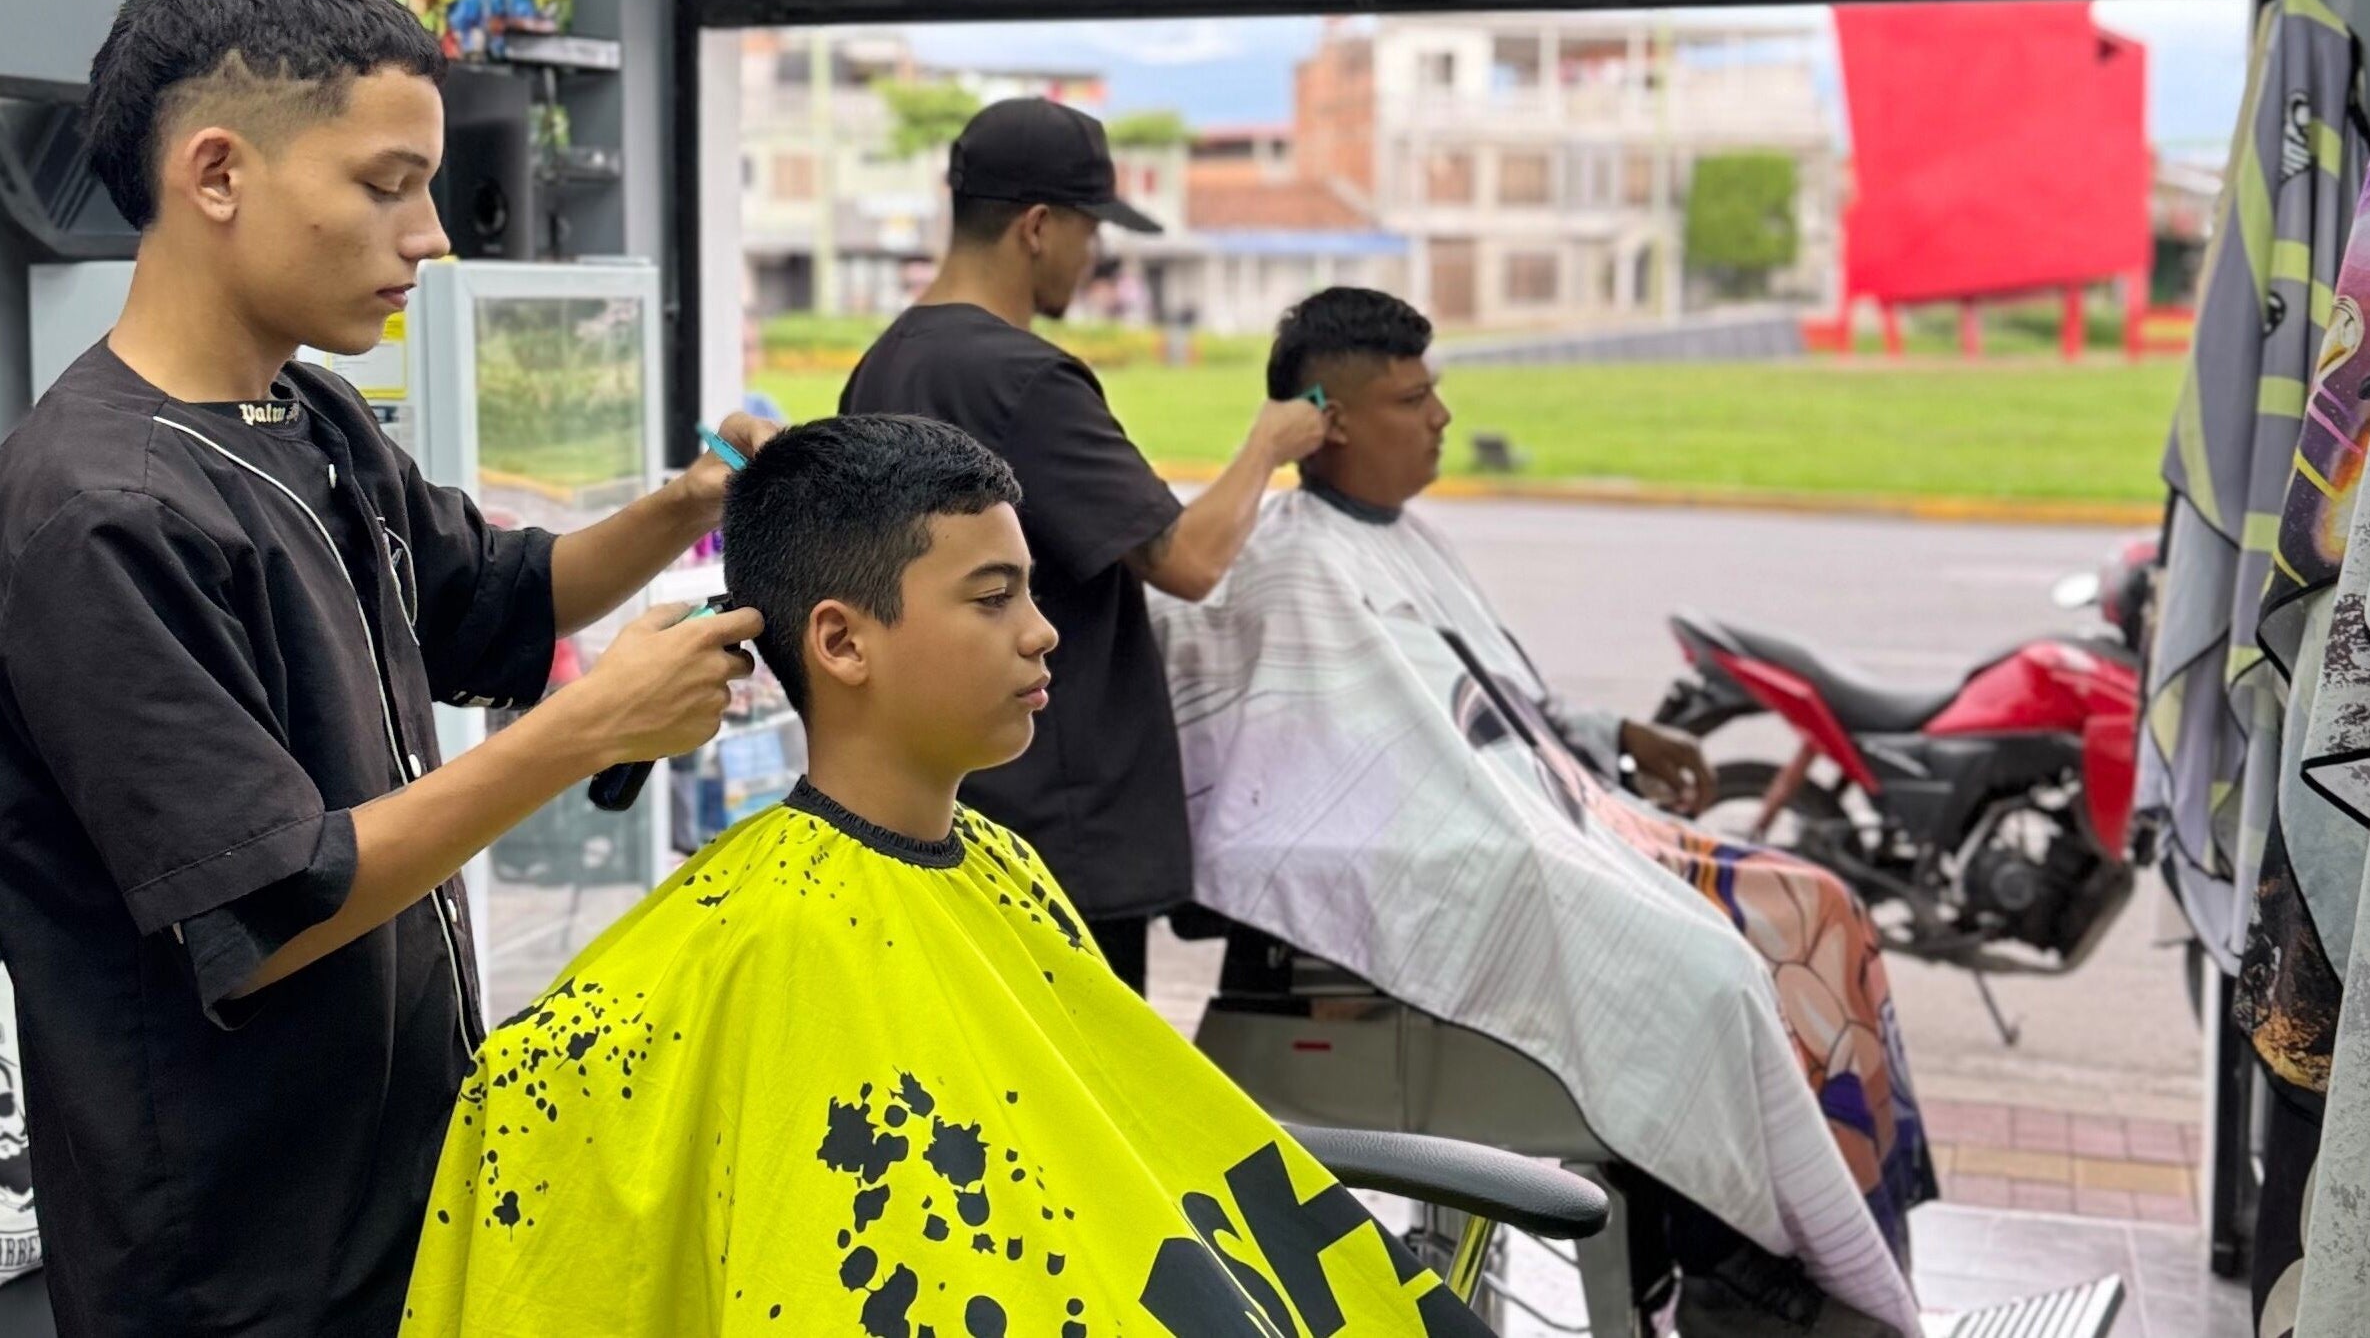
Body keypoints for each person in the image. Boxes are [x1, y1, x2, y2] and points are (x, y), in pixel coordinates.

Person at [0, 0, 766, 1337]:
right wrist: (591, 730)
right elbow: (279, 905)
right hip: (238, 1268)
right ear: (218, 175)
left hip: (406, 1197)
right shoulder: (100, 516)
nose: (431, 237)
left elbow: (506, 595)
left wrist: (698, 502)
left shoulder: (317, 423)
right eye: (384, 185)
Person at [404, 415, 1495, 1338]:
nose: (1043, 632)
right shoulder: (746, 948)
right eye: (993, 598)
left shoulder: (1003, 868)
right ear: (841, 642)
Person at [1153, 289, 1933, 1338]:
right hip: (1468, 866)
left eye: (1437, 392)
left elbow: (1490, 707)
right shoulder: (1287, 562)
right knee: (1710, 977)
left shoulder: (1405, 542)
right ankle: (1732, 1267)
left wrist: (1613, 737)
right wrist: (1510, 846)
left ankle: (1814, 1255)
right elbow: (1292, 794)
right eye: (1411, 397)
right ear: (1326, 419)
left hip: (1555, 826)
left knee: (1816, 908)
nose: (1439, 418)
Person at [839, 97, 1323, 990]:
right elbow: (1187, 559)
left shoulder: (884, 363)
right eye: (1088, 229)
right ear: (1036, 226)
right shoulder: (1025, 377)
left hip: (936, 807)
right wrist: (1269, 445)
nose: (1092, 255)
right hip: (1056, 831)